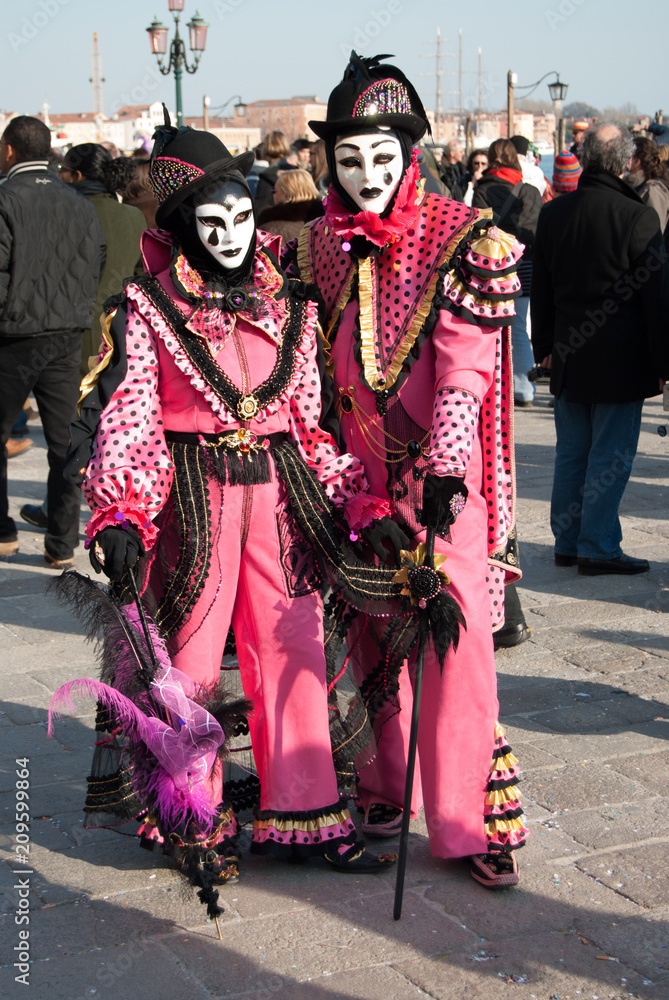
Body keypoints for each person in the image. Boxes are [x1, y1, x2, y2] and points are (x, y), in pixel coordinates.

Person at [68, 117, 404, 881]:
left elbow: (309, 425)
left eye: (240, 219)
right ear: (185, 227)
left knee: (294, 651)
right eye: (210, 223)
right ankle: (192, 819)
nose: (229, 235)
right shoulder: (150, 306)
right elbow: (131, 413)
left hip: (280, 499)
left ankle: (308, 812)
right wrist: (120, 511)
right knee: (186, 667)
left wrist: (356, 503)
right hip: (192, 498)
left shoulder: (289, 304)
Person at [292, 52, 528, 888]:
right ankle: (382, 781)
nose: (364, 176)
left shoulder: (467, 238)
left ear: (412, 154)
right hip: (360, 477)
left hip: (441, 480)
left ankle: (467, 819)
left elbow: (466, 370)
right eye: (347, 159)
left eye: (380, 158)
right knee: (368, 630)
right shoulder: (317, 242)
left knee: (452, 639)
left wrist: (445, 468)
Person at [531, 123, 669, 576]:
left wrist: (545, 346)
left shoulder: (555, 214)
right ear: (627, 161)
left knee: (572, 452)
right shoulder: (637, 216)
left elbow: (542, 290)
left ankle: (569, 541)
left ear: (586, 156)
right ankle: (597, 544)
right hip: (620, 358)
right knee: (609, 455)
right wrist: (664, 361)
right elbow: (657, 298)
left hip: (570, 353)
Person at [0, 116, 105, 567]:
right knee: (64, 442)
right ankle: (61, 543)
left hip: (13, 336)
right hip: (65, 335)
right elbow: (95, 261)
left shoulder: (4, 198)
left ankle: (3, 532)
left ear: (9, 151)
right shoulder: (78, 201)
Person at [58, 144, 146, 379]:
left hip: (75, 334)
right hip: (123, 331)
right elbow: (140, 275)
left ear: (76, 176)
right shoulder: (133, 216)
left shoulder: (65, 213)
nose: (58, 175)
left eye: (62, 170)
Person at [473, 138, 542, 407]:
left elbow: (476, 230)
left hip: (490, 267)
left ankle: (489, 387)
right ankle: (523, 387)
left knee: (488, 326)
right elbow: (533, 233)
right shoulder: (530, 191)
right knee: (520, 328)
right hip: (523, 266)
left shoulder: (482, 189)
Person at [256, 168, 323, 241]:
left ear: (286, 196)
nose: (273, 195)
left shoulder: (270, 228)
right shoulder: (325, 221)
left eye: (274, 191)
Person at [626, 136, 669, 235]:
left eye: (627, 156)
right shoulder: (633, 184)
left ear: (636, 161)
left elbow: (654, 231)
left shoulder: (653, 190)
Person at [253, 131, 292, 216]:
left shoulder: (266, 175)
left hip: (274, 224)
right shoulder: (297, 172)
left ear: (266, 146)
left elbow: (261, 207)